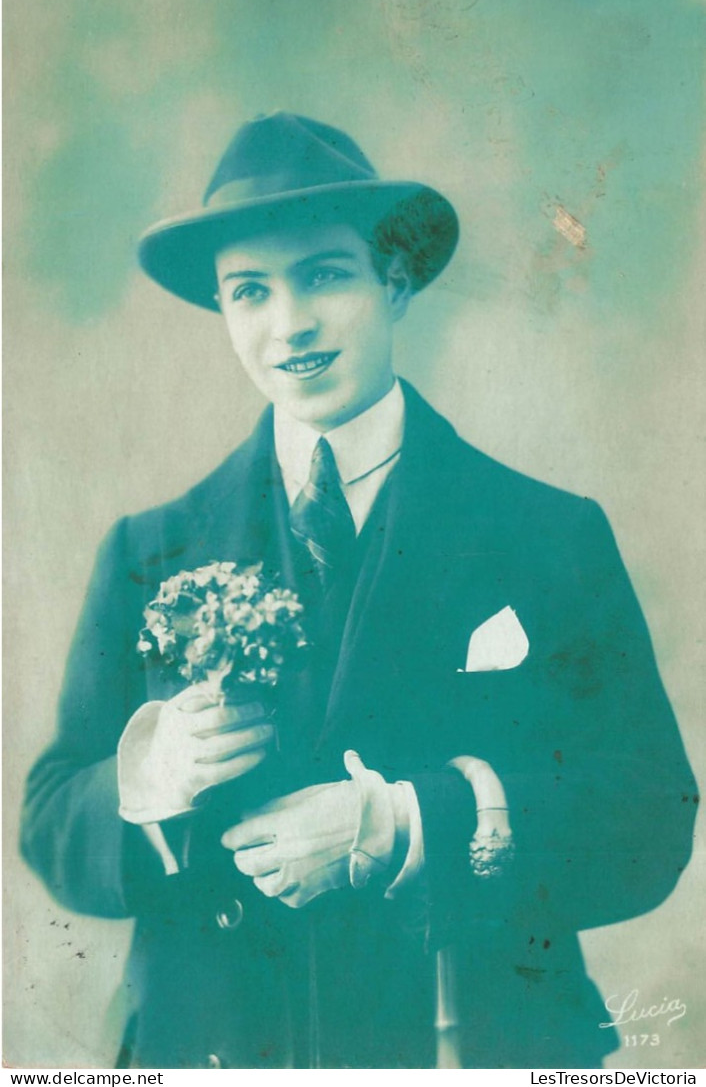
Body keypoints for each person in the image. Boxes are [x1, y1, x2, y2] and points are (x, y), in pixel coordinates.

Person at [21, 112, 698, 1070]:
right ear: (222, 309)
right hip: (216, 1046)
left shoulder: (549, 535)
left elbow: (649, 815)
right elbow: (51, 818)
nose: (288, 324)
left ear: (396, 281)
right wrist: (149, 778)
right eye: (249, 291)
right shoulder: (151, 550)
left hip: (460, 1044)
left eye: (326, 276)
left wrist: (411, 824)